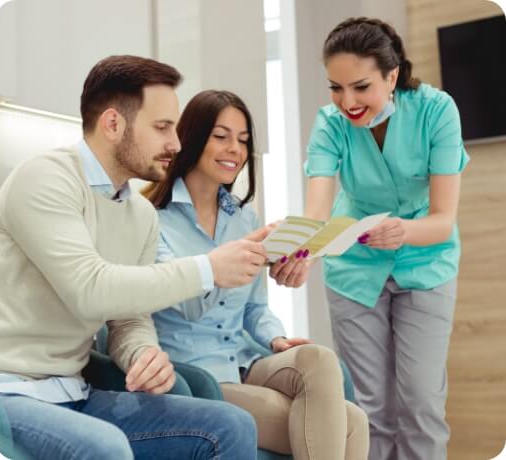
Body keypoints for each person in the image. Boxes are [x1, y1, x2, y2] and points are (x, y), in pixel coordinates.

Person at [0, 55, 265, 460]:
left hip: (75, 390)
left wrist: (141, 352)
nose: (175, 143)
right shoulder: (45, 180)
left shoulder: (139, 214)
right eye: (161, 128)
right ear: (113, 124)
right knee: (106, 448)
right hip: (8, 391)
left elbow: (128, 316)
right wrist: (207, 268)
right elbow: (91, 290)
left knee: (231, 425)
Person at [144, 89, 370, 460]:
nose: (235, 148)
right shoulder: (153, 220)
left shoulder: (243, 218)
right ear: (193, 137)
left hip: (246, 360)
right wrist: (230, 260)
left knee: (320, 360)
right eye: (221, 136)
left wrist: (276, 339)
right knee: (351, 424)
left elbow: (254, 308)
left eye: (243, 140)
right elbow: (186, 306)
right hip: (197, 375)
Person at [301, 17, 469, 460]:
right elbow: (317, 210)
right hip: (354, 267)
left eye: (360, 87)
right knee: (368, 409)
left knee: (421, 403)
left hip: (425, 262)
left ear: (391, 75)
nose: (347, 102)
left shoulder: (436, 111)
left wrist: (403, 232)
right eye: (335, 88)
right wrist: (299, 250)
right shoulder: (330, 124)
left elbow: (442, 220)